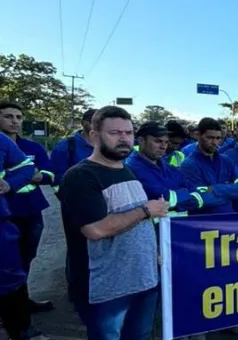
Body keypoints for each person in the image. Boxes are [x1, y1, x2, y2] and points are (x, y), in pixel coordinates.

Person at [58, 106, 169, 340]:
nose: (124, 139)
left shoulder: (126, 169)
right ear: (93, 136)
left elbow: (137, 224)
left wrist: (154, 252)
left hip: (143, 278)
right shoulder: (81, 175)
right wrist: (146, 209)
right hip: (107, 288)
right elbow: (96, 229)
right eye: (115, 133)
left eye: (128, 133)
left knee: (139, 335)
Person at [0, 102, 55, 311]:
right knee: (6, 263)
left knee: (26, 258)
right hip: (5, 214)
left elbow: (50, 175)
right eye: (8, 116)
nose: (14, 121)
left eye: (18, 117)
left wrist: (17, 176)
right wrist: (26, 175)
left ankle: (21, 302)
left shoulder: (33, 148)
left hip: (31, 211)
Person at [1, 132, 48, 340]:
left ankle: (21, 330)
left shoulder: (2, 141)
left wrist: (9, 184)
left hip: (2, 225)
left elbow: (26, 168)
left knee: (11, 276)